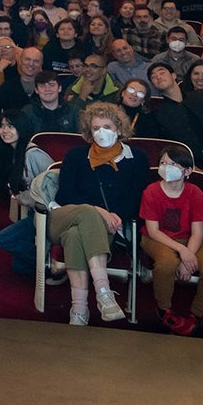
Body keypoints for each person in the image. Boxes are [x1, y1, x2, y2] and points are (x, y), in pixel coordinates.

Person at [49, 102, 150, 325]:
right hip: (65, 217)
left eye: (107, 126)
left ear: (119, 129)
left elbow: (136, 199)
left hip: (108, 228)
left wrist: (110, 216)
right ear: (88, 131)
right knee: (85, 215)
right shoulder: (76, 155)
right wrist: (98, 211)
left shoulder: (137, 158)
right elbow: (66, 195)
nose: (101, 132)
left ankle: (79, 309)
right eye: (96, 128)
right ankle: (103, 291)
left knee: (76, 236)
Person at [138, 145, 203, 336]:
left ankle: (195, 315)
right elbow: (153, 231)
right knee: (167, 263)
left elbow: (197, 232)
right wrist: (182, 251)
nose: (165, 167)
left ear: (187, 171)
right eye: (163, 163)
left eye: (172, 164)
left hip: (190, 239)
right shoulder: (151, 191)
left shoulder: (195, 193)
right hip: (157, 239)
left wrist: (188, 255)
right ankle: (164, 310)